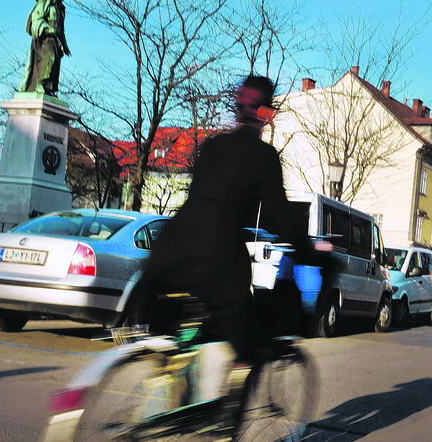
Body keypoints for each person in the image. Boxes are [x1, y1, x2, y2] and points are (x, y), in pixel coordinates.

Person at [130, 75, 331, 363]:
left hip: (168, 254)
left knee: (179, 343)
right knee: (249, 348)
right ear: (267, 114)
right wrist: (310, 250)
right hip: (216, 264)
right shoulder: (264, 156)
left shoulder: (212, 146)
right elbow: (279, 220)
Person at [18, 0, 70, 96]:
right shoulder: (45, 3)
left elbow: (61, 30)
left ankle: (48, 88)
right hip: (44, 39)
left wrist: (65, 45)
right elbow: (36, 19)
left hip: (56, 41)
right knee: (48, 59)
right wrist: (47, 28)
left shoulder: (61, 9)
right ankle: (40, 84)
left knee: (55, 63)